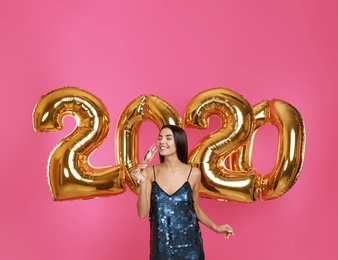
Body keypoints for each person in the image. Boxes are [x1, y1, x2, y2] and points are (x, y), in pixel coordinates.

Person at [132, 124, 234, 260]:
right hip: (162, 247)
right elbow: (142, 213)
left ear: (179, 142)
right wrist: (143, 182)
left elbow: (195, 208)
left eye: (168, 138)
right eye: (160, 138)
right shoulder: (150, 172)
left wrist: (216, 227)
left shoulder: (194, 173)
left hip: (190, 246)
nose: (162, 142)